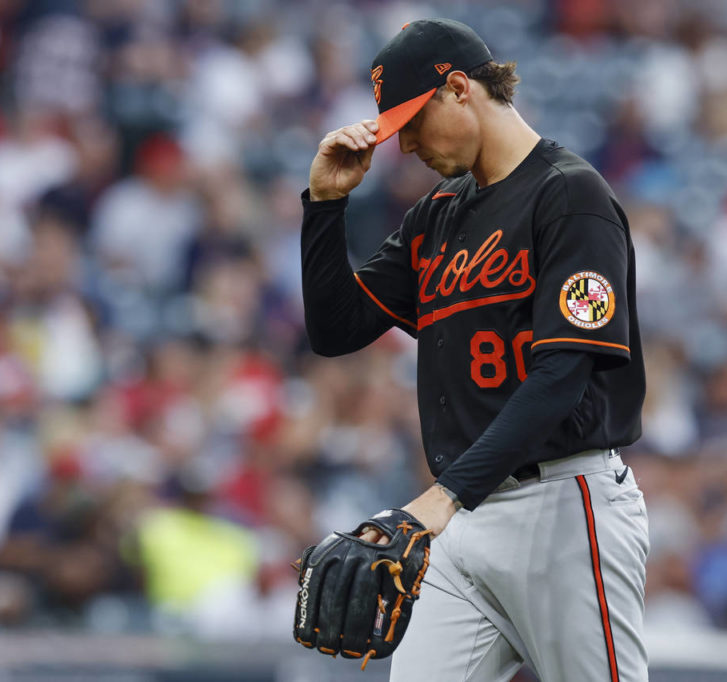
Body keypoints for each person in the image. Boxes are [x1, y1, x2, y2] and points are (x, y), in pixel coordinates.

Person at [300, 18, 649, 682]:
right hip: (463, 518)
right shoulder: (437, 214)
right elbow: (335, 330)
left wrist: (444, 497)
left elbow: (562, 376)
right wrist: (323, 206)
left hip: (564, 507)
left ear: (459, 89)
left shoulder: (570, 195)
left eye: (412, 122)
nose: (405, 144)